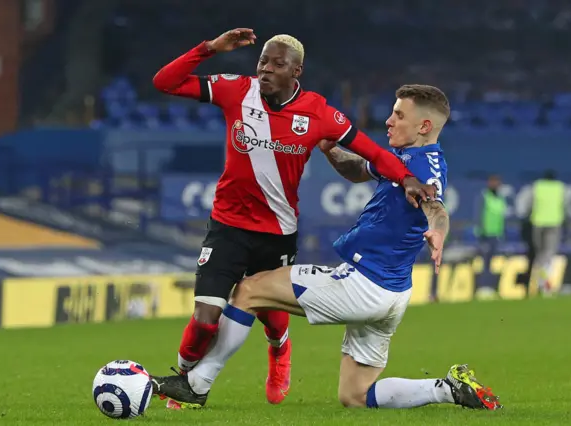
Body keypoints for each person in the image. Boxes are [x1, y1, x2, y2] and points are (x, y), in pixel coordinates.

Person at [150, 85, 502, 411]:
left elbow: (434, 207)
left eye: (398, 115)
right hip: (393, 295)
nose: (388, 120)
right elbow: (358, 169)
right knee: (355, 396)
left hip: (364, 284)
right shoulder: (409, 158)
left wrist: (439, 231)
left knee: (249, 289)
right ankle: (447, 388)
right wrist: (332, 148)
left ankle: (197, 384)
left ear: (424, 125)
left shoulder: (423, 167)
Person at [152, 29, 436, 406]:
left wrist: (408, 178)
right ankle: (187, 381)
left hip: (277, 232)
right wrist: (211, 49)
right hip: (227, 226)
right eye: (262, 62)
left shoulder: (318, 112)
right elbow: (164, 82)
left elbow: (373, 152)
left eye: (277, 64)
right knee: (206, 318)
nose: (266, 70)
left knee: (271, 316)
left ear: (296, 72)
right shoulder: (236, 90)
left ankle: (279, 351)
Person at [529, 169, 566, 295]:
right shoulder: (560, 187)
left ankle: (539, 283)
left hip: (538, 222)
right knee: (549, 254)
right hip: (554, 223)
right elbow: (565, 205)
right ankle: (545, 285)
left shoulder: (537, 186)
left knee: (540, 255)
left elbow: (528, 204)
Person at [474, 174, 507, 298]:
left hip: (496, 234)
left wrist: (502, 233)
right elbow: (479, 215)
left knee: (493, 263)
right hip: (485, 235)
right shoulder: (484, 196)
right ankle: (483, 288)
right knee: (485, 262)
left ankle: (492, 287)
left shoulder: (500, 198)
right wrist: (480, 233)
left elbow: (501, 217)